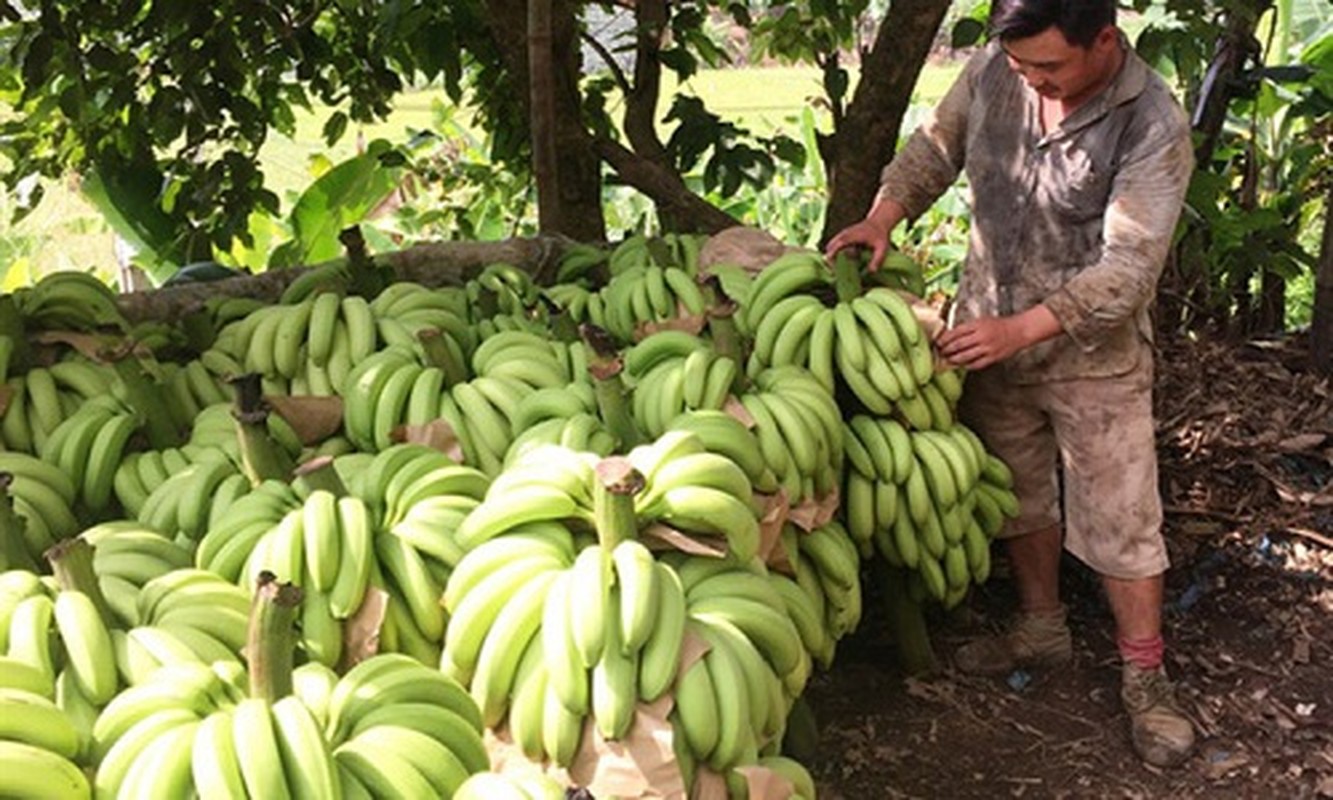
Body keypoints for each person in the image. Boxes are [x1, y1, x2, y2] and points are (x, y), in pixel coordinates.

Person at [825, 0, 1196, 768]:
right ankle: (1040, 625)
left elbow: (1127, 270)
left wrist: (1020, 329)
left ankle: (1144, 677)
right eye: (1022, 65)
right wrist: (883, 215)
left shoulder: (1151, 121)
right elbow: (935, 146)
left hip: (1091, 351)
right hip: (987, 329)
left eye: (1049, 67)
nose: (1030, 79)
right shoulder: (1000, 66)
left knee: (1121, 514)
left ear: (1104, 39)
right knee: (1017, 487)